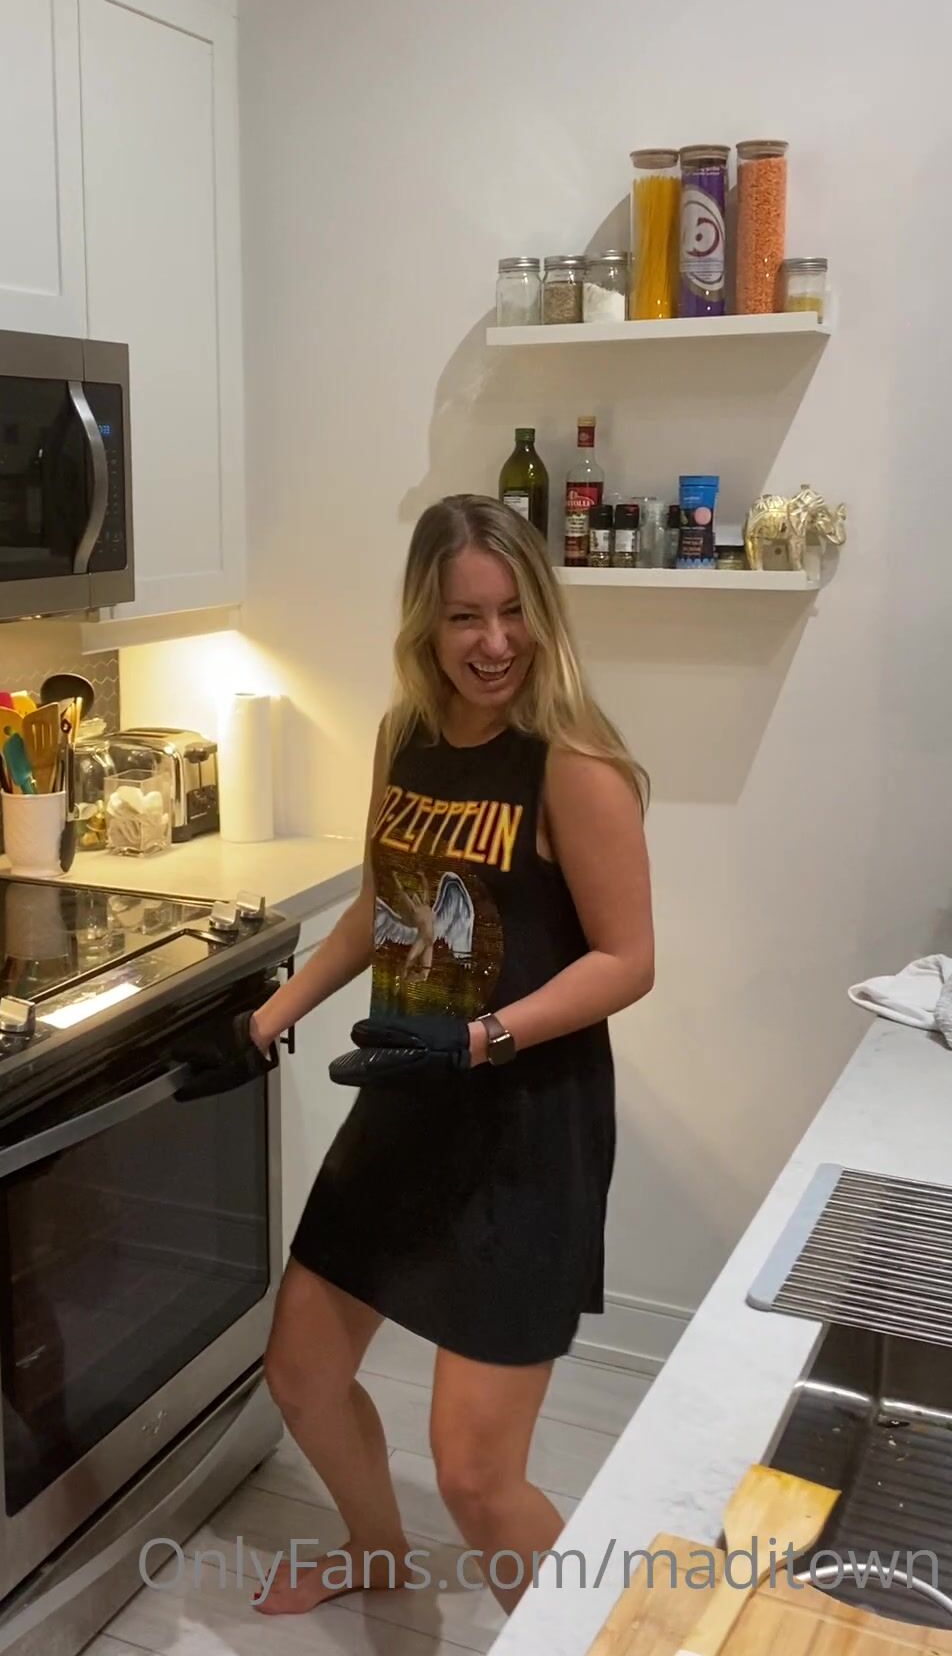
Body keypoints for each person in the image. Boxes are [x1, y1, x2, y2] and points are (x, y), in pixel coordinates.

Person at [244, 493, 654, 1615]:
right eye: (466, 616)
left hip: (524, 1134)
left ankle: (592, 1637)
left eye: (514, 612)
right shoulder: (406, 737)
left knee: (476, 1476)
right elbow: (380, 904)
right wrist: (270, 1017)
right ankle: (377, 1550)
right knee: (302, 1374)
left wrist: (479, 1039)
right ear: (425, 622)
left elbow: (628, 960)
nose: (495, 642)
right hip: (406, 1104)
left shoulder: (571, 762)